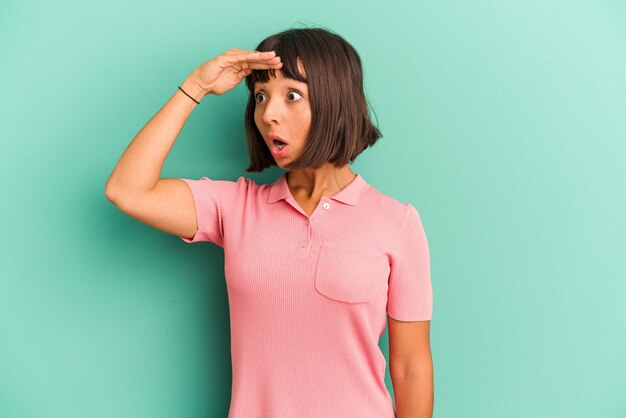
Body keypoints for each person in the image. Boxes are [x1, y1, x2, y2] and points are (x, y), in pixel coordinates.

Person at [105, 27, 433, 418]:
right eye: (260, 96)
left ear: (334, 102)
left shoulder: (397, 222)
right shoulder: (237, 208)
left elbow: (411, 369)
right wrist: (195, 86)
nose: (268, 114)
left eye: (292, 95)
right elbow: (127, 190)